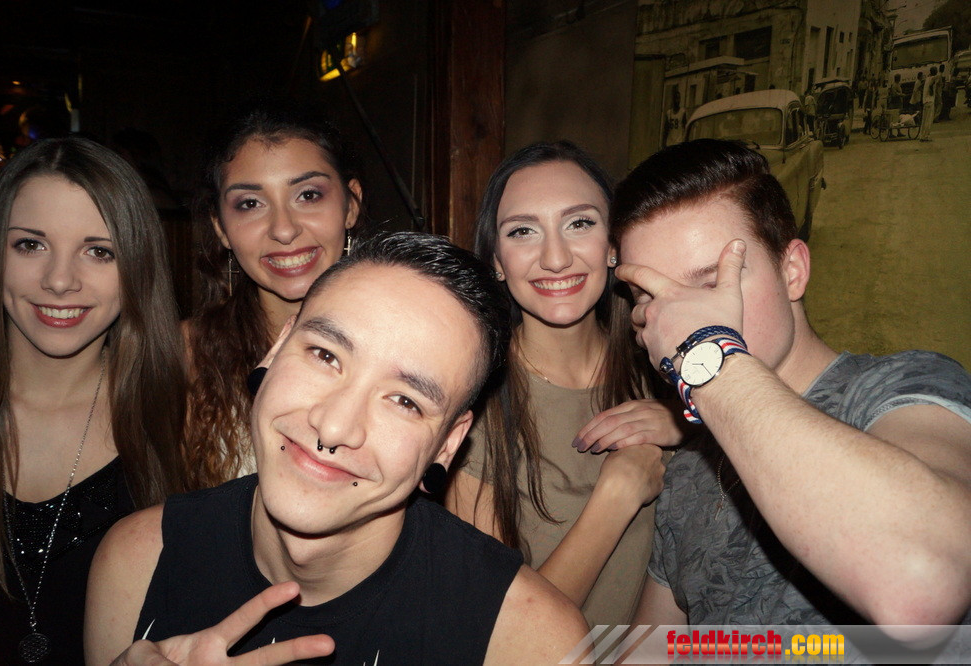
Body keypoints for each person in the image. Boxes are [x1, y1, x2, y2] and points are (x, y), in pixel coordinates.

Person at [84, 232, 590, 665]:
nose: (334, 425)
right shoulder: (138, 560)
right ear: (277, 350)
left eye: (405, 401)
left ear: (448, 444)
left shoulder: (532, 641)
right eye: (325, 355)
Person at [610, 140, 971, 636]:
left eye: (712, 283)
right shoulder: (690, 468)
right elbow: (653, 647)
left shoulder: (902, 388)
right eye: (651, 297)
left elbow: (921, 583)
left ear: (793, 271)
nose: (674, 320)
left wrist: (706, 352)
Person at [445, 141, 682, 627]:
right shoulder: (472, 403)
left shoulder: (667, 366)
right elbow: (503, 636)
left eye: (579, 223)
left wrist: (687, 423)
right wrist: (617, 495)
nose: (555, 258)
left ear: (613, 245)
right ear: (496, 260)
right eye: (523, 231)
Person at [0, 137, 187, 664]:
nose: (60, 280)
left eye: (99, 251)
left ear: (137, 267)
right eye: (30, 245)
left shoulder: (182, 422)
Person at [183, 99, 363, 488]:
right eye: (250, 204)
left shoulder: (404, 346)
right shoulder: (186, 355)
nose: (283, 229)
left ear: (351, 205)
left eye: (308, 195)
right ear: (221, 227)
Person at [920, 67, 938, 141]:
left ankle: (922, 136)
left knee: (924, 120)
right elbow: (931, 86)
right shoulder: (933, 78)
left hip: (925, 101)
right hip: (930, 101)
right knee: (929, 120)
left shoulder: (927, 78)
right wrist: (932, 92)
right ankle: (926, 136)